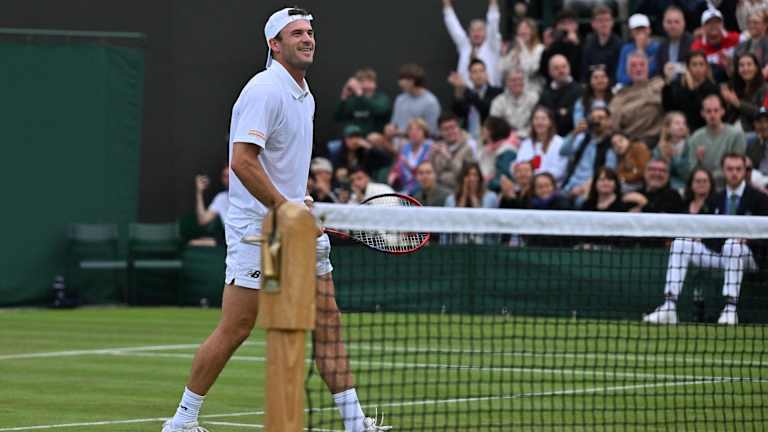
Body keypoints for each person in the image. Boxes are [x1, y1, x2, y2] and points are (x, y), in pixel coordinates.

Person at [161, 8, 391, 432]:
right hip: (259, 231)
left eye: (309, 32)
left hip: (295, 223)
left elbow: (280, 165)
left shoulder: (306, 94)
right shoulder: (264, 90)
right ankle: (181, 422)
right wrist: (285, 211)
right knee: (237, 326)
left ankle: (356, 423)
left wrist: (298, 203)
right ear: (275, 44)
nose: (307, 39)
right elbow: (242, 163)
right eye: (296, 33)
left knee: (329, 324)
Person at [643, 153, 768, 325]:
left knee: (733, 246)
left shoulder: (760, 199)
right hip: (719, 255)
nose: (734, 173)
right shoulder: (715, 199)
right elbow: (708, 233)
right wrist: (701, 238)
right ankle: (669, 306)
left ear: (745, 171)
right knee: (681, 243)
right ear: (723, 171)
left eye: (738, 169)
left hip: (750, 258)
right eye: (730, 169)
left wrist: (749, 239)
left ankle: (730, 309)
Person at [686, 94, 747, 187]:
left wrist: (708, 176)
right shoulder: (695, 137)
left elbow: (738, 167)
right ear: (702, 113)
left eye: (716, 110)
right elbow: (692, 169)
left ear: (722, 111)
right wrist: (699, 162)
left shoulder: (736, 135)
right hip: (703, 186)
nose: (712, 115)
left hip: (729, 184)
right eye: (708, 111)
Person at [609, 51, 665, 145]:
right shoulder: (621, 95)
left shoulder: (659, 84)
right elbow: (613, 121)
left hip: (652, 139)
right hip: (626, 140)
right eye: (633, 66)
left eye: (642, 65)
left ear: (647, 68)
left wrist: (628, 110)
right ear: (628, 71)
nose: (638, 69)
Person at [560, 105, 613, 203]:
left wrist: (584, 188)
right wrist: (575, 133)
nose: (596, 122)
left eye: (600, 118)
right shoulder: (582, 139)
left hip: (591, 189)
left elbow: (609, 171)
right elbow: (563, 151)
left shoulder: (611, 144)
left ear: (609, 121)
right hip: (570, 185)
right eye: (593, 119)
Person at [442, 0, 502, 87]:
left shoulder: (492, 46)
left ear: (486, 32)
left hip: (490, 95)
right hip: (466, 96)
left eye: (480, 30)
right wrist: (447, 4)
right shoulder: (465, 46)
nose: (476, 33)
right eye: (473, 30)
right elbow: (453, 26)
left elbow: (493, 22)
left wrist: (493, 2)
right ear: (469, 33)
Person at [662, 50, 719, 133]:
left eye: (701, 64)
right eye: (694, 64)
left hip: (703, 130)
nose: (698, 68)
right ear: (688, 67)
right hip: (681, 129)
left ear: (706, 67)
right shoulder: (679, 85)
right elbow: (669, 108)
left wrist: (692, 89)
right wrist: (668, 82)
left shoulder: (713, 88)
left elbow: (701, 114)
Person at [449, 59, 503, 138]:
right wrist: (458, 90)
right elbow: (458, 112)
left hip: (489, 135)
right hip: (468, 135)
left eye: (481, 71)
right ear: (469, 76)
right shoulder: (466, 94)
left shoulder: (497, 92)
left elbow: (485, 108)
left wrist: (465, 88)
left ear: (487, 74)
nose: (478, 75)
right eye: (474, 72)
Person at [515, 106, 568, 183]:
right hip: (528, 185)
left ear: (550, 122)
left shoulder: (560, 143)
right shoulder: (526, 144)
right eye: (536, 119)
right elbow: (520, 165)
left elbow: (560, 170)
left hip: (551, 186)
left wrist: (538, 179)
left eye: (543, 119)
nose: (539, 122)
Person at [334, 68, 391, 135]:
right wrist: (344, 97)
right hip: (355, 137)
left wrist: (360, 94)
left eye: (370, 81)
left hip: (377, 136)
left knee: (374, 138)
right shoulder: (354, 100)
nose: (366, 85)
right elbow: (338, 117)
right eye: (362, 82)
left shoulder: (382, 98)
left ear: (375, 84)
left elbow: (379, 110)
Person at [537, 54, 584, 136]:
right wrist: (562, 113)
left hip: (574, 136)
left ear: (569, 68)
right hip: (549, 137)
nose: (561, 71)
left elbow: (573, 118)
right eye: (556, 68)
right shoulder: (545, 94)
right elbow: (545, 118)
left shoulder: (580, 90)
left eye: (564, 67)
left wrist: (557, 114)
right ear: (550, 72)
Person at [691, 8, 741, 83]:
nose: (713, 25)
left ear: (722, 24)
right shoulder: (697, 47)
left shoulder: (736, 38)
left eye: (717, 22)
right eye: (709, 23)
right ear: (703, 27)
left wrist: (730, 64)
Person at [388, 63, 441, 134]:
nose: (400, 83)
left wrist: (403, 133)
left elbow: (432, 131)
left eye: (403, 79)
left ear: (413, 80)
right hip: (397, 142)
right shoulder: (400, 99)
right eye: (400, 79)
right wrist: (390, 128)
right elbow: (394, 123)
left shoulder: (431, 102)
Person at [430, 113, 478, 190]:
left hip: (460, 189)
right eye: (446, 129)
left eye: (453, 127)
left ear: (458, 127)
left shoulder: (469, 147)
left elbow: (464, 174)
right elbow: (433, 173)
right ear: (440, 132)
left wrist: (448, 157)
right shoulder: (438, 146)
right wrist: (432, 157)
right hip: (439, 188)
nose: (450, 132)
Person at [721, 53, 768, 131]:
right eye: (741, 65)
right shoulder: (735, 87)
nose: (745, 68)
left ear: (756, 68)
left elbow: (763, 112)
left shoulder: (765, 88)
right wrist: (727, 102)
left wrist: (738, 104)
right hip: (732, 129)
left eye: (749, 64)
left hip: (755, 131)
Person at [388, 118, 433, 195]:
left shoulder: (430, 148)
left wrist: (409, 165)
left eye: (418, 130)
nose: (414, 132)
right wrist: (393, 174)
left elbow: (426, 171)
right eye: (411, 130)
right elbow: (396, 168)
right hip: (404, 187)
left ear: (424, 133)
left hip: (422, 187)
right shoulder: (405, 148)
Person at [498, 18, 544, 92]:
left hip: (533, 92)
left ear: (533, 31)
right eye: (520, 28)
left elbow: (531, 70)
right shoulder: (515, 50)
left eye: (526, 28)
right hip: (513, 92)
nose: (522, 31)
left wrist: (522, 48)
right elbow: (502, 70)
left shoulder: (540, 49)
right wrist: (504, 55)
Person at [489, 68, 539, 135]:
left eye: (520, 79)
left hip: (531, 136)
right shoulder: (498, 102)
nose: (517, 83)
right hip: (506, 138)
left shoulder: (534, 98)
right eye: (513, 80)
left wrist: (523, 134)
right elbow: (494, 125)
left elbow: (538, 121)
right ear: (507, 82)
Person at [580, 5, 622, 82]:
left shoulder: (619, 45)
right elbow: (585, 73)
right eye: (600, 20)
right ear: (593, 24)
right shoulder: (588, 45)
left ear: (612, 22)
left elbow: (618, 74)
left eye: (607, 20)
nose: (604, 24)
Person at [616, 14, 660, 86]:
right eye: (637, 29)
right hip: (630, 88)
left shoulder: (657, 48)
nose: (640, 32)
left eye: (643, 28)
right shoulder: (626, 49)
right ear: (631, 33)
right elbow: (620, 77)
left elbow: (655, 73)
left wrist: (641, 50)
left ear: (649, 30)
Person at [539, 9, 582, 84]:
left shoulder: (582, 42)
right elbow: (543, 71)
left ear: (576, 25)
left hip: (575, 84)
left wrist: (576, 45)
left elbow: (579, 70)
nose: (566, 27)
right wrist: (547, 48)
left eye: (570, 23)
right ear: (557, 27)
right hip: (553, 86)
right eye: (563, 23)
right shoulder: (554, 44)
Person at [653, 111, 692, 190]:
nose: (681, 126)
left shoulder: (690, 145)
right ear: (667, 128)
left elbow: (687, 174)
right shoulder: (660, 147)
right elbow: (655, 170)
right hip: (664, 185)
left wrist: (675, 157)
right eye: (677, 123)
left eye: (683, 123)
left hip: (684, 185)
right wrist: (666, 159)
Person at [479, 116, 519, 193]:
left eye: (486, 127)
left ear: (493, 131)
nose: (482, 129)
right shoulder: (485, 149)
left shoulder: (507, 151)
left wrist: (485, 183)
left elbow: (503, 179)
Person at [656, 6, 694, 82]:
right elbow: (658, 72)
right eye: (669, 22)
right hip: (667, 87)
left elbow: (696, 67)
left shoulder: (692, 42)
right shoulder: (661, 46)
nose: (672, 26)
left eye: (676, 22)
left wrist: (676, 68)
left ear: (684, 23)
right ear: (664, 24)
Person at [747, 106, 768, 176]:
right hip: (756, 179)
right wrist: (759, 142)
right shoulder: (749, 141)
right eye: (760, 122)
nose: (764, 125)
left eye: (766, 121)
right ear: (754, 124)